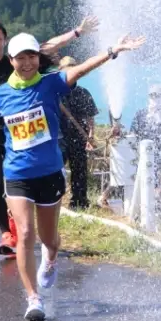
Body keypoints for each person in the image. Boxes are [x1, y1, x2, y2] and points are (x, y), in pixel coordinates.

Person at [0, 31, 146, 321]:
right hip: (17, 175)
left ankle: (50, 259)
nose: (27, 63)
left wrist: (114, 49)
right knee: (26, 233)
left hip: (49, 174)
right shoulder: (0, 95)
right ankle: (33, 298)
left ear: (38, 58)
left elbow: (82, 68)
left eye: (31, 56)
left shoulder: (51, 84)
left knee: (49, 240)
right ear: (11, 60)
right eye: (20, 58)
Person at [0, 16, 99, 257]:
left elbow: (50, 46)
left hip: (19, 132)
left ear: (5, 43)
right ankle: (7, 233)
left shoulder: (18, 61)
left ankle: (23, 225)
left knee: (17, 181)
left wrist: (78, 32)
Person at [57, 56, 99, 209]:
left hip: (79, 137)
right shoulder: (55, 92)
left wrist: (90, 136)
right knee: (56, 169)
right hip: (59, 137)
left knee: (80, 170)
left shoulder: (83, 93)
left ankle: (79, 201)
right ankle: (53, 199)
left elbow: (90, 117)